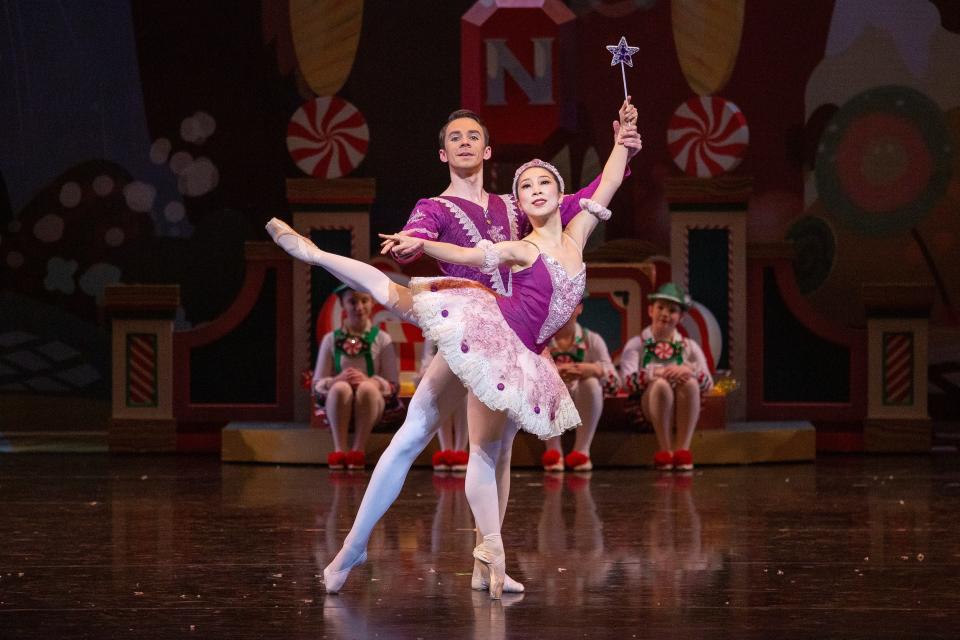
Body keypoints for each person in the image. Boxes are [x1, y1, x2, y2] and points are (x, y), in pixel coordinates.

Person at [266, 99, 634, 598]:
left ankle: (488, 562)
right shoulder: (434, 207)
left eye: (472, 136)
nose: (464, 142)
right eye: (454, 137)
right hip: (466, 323)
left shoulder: (516, 204)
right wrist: (413, 244)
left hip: (511, 339)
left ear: (488, 149)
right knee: (418, 427)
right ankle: (355, 546)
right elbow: (420, 238)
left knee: (496, 449)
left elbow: (588, 196)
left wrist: (622, 147)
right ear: (443, 154)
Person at [619, 283, 714, 471]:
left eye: (672, 310)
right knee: (661, 385)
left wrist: (690, 371)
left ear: (681, 316)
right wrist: (655, 373)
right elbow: (626, 382)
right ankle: (665, 450)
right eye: (660, 308)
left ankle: (682, 451)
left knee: (690, 384)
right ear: (650, 310)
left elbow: (708, 384)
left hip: (683, 406)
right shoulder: (637, 344)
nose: (665, 314)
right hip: (649, 406)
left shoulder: (689, 347)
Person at [311, 285, 399, 470]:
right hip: (338, 405)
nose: (359, 307)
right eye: (352, 301)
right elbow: (317, 384)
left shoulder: (382, 339)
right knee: (340, 388)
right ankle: (340, 450)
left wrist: (371, 381)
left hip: (371, 405)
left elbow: (393, 385)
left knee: (366, 389)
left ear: (372, 302)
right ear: (343, 304)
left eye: (364, 301)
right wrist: (336, 380)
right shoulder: (331, 339)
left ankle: (358, 450)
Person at [541, 295, 620, 472]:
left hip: (582, 402)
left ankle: (582, 451)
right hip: (550, 405)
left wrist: (594, 369)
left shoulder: (592, 340)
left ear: (579, 308)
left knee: (591, 384)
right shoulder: (540, 340)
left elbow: (615, 382)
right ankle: (553, 450)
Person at [418, 338, 469, 472]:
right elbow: (428, 356)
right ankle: (446, 449)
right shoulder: (437, 327)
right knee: (439, 393)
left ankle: (460, 450)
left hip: (467, 372)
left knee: (463, 392)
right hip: (442, 374)